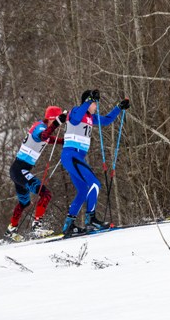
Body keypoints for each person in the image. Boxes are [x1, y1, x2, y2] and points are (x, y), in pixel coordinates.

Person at [60, 90, 129, 237]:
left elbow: (106, 120)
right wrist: (88, 100)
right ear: (88, 102)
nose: (96, 106)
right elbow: (77, 117)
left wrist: (119, 107)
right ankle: (91, 219)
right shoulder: (75, 112)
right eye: (94, 103)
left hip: (75, 157)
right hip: (71, 155)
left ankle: (69, 224)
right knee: (95, 184)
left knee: (83, 190)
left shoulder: (91, 117)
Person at [5, 105, 66, 240]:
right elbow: (43, 135)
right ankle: (37, 226)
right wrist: (57, 123)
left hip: (19, 170)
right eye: (54, 121)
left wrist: (68, 141)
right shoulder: (40, 127)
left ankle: (11, 229)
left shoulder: (44, 129)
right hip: (20, 170)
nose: (55, 124)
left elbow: (51, 139)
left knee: (24, 203)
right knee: (46, 194)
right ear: (51, 119)